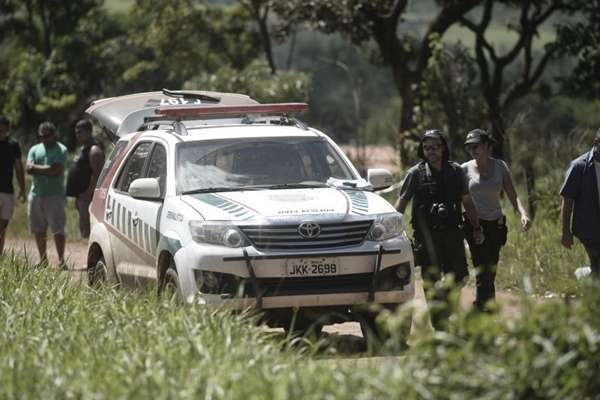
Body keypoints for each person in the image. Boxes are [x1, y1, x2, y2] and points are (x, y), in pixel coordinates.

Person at [395, 129, 483, 330]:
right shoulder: (415, 174)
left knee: (460, 275)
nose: (431, 151)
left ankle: (443, 307)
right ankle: (439, 324)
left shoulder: (456, 171)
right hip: (427, 236)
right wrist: (391, 229)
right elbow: (401, 204)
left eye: (435, 147)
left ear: (443, 148)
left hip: (453, 232)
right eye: (427, 148)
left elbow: (467, 202)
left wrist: (476, 227)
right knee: (431, 279)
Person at [461, 129, 531, 310]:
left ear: (486, 146)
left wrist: (522, 213)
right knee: (480, 265)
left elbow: (512, 194)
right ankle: (484, 306)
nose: (472, 150)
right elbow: (459, 197)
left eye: (476, 146)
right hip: (474, 224)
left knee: (491, 266)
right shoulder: (464, 169)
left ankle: (484, 304)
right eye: (469, 147)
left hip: (496, 224)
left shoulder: (500, 166)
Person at [26, 121, 68, 268]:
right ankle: (43, 260)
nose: (44, 139)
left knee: (58, 229)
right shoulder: (34, 149)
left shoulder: (61, 149)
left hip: (55, 195)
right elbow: (28, 169)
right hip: (36, 194)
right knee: (38, 229)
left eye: (47, 136)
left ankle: (61, 260)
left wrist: (36, 168)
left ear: (54, 135)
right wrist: (47, 169)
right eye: (41, 136)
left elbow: (56, 170)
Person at [560, 129, 600, 277]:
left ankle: (582, 275)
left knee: (597, 271)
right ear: (596, 143)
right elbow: (567, 200)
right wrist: (565, 231)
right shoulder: (579, 167)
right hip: (588, 229)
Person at [66, 119, 104, 239]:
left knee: (87, 227)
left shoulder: (94, 150)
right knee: (82, 226)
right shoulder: (83, 148)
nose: (77, 135)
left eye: (80, 132)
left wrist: (88, 193)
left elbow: (97, 174)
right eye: (76, 132)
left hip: (88, 196)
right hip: (81, 196)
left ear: (89, 132)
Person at [0, 115, 26, 256]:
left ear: (8, 129)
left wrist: (22, 189)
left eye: (4, 130)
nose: (2, 133)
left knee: (3, 227)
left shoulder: (13, 144)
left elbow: (18, 168)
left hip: (7, 191)